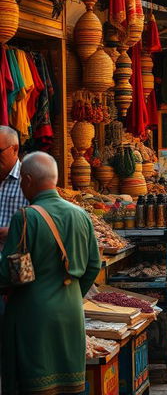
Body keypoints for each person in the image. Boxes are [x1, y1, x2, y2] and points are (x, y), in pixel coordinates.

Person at [0, 152, 101, 395]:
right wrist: (73, 292)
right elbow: (93, 266)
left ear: (26, 179)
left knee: (34, 385)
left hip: (32, 315)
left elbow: (12, 275)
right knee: (68, 386)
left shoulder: (26, 217)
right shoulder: (81, 215)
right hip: (70, 311)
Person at [0, 126, 27, 249]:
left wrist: (13, 231)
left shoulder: (29, 181)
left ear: (15, 149)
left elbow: (44, 224)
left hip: (14, 259)